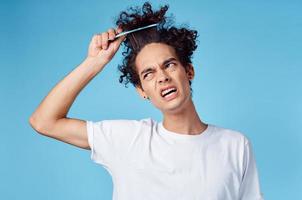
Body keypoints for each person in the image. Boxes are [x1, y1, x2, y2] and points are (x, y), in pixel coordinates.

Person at [29, 2, 264, 200]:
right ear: (142, 91)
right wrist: (94, 63)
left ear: (189, 71)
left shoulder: (235, 145)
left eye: (169, 65)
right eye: (148, 74)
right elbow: (44, 121)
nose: (162, 77)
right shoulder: (128, 140)